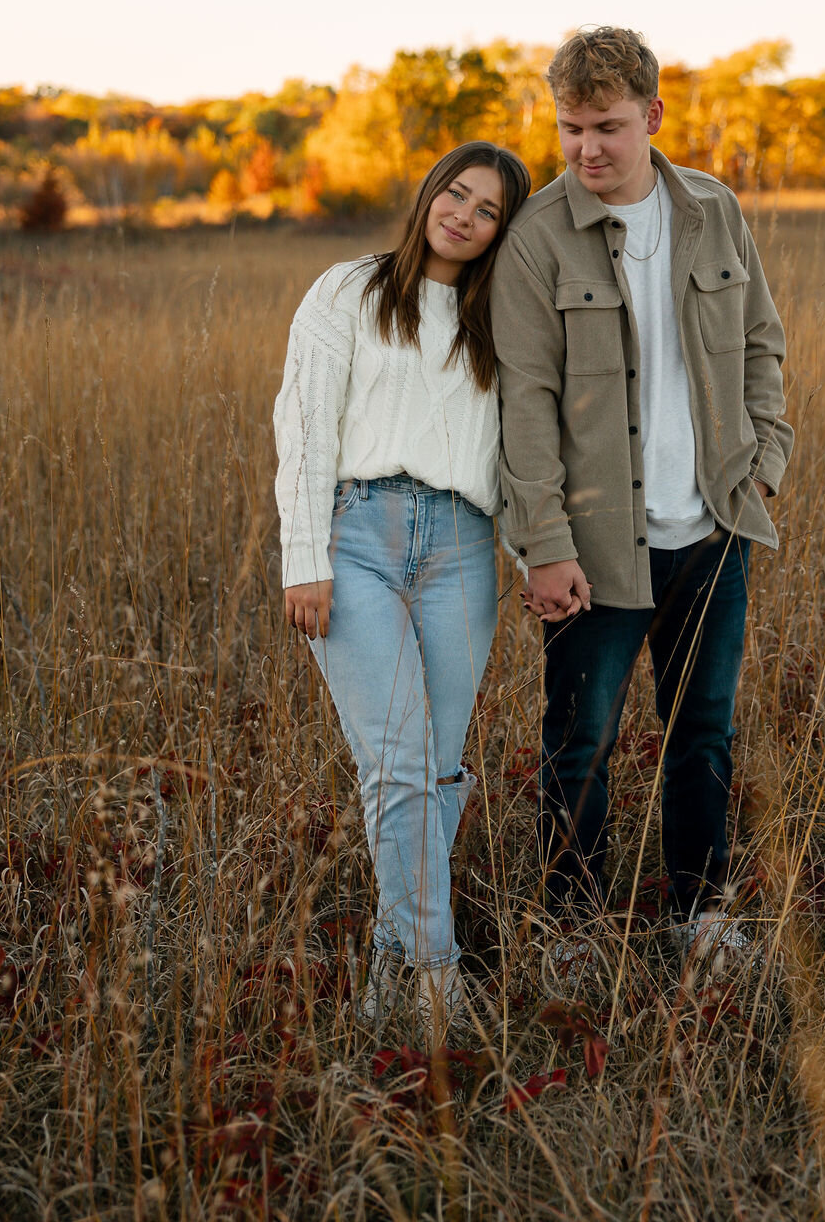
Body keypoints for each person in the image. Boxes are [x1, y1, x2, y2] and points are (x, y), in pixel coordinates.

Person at [490, 27, 793, 963]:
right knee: (580, 737)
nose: (587, 148)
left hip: (713, 529)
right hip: (594, 545)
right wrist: (542, 541)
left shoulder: (713, 210)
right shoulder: (537, 236)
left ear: (653, 117)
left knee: (703, 728)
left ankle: (701, 915)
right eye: (571, 127)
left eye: (608, 127)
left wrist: (763, 463)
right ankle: (572, 929)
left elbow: (760, 344)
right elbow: (526, 403)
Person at [274, 140, 530, 1036]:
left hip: (463, 545)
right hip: (360, 539)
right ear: (430, 193)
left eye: (487, 208)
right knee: (398, 760)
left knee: (441, 768)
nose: (463, 214)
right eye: (455, 193)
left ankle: (394, 964)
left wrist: (536, 562)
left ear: (503, 229)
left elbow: (522, 456)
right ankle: (433, 977)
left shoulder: (502, 319)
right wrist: (304, 555)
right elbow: (304, 424)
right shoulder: (347, 289)